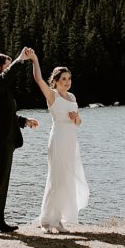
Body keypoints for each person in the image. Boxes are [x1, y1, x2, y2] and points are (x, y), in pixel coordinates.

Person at [0, 47, 40, 237]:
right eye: (7, 64)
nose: (10, 67)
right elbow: (6, 78)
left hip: (6, 140)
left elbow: (6, 114)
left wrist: (24, 122)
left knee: (3, 183)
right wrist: (20, 60)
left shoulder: (1, 88)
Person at [30, 52, 89, 233]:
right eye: (63, 78)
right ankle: (46, 220)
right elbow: (38, 79)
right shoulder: (52, 96)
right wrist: (35, 59)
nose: (67, 81)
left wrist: (76, 118)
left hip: (71, 141)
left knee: (66, 180)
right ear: (55, 81)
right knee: (55, 179)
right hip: (58, 139)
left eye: (69, 78)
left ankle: (59, 219)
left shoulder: (72, 97)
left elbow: (78, 123)